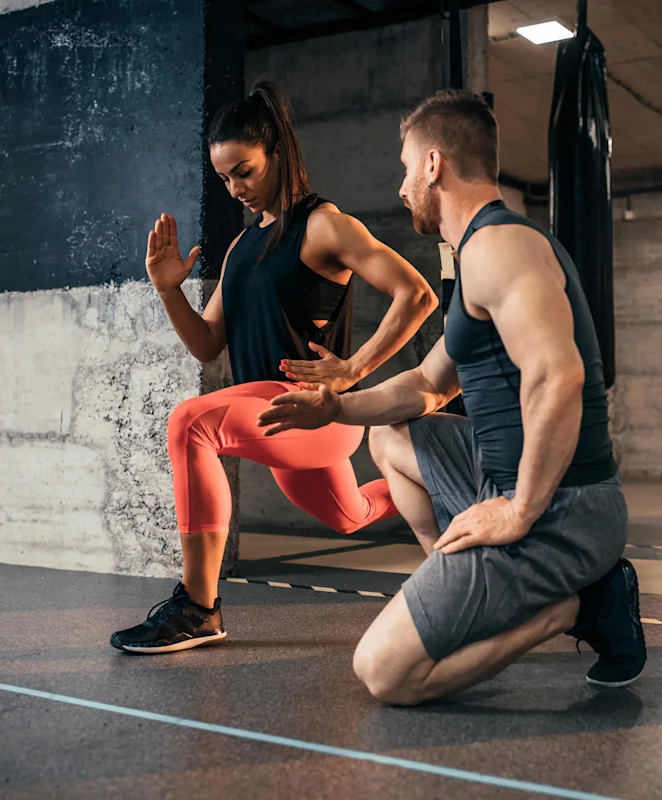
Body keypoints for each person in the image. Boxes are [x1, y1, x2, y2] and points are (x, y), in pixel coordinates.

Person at [257, 89, 645, 703]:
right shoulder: (481, 254)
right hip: (504, 475)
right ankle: (458, 588)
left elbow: (559, 376)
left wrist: (518, 509)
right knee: (389, 435)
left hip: (561, 508)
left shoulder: (500, 247)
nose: (402, 185)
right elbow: (428, 386)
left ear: (434, 164)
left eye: (407, 166)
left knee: (384, 674)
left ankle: (576, 608)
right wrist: (336, 405)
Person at [110, 82, 437, 654]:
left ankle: (198, 607)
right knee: (350, 515)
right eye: (225, 179)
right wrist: (169, 293)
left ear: (278, 155)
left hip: (315, 411)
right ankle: (445, 486)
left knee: (190, 422)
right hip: (270, 410)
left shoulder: (324, 226)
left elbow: (417, 295)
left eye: (246, 171)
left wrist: (351, 371)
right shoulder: (240, 248)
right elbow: (207, 344)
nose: (236, 188)